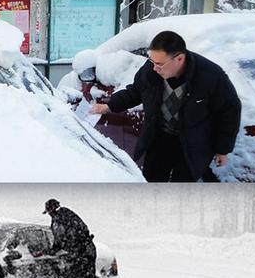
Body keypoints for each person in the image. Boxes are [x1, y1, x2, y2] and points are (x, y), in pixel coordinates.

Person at [90, 31, 241, 183]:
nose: (154, 68)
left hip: (192, 143)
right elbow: (136, 91)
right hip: (160, 137)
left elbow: (229, 112)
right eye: (152, 61)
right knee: (151, 181)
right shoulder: (151, 69)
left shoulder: (210, 76)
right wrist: (109, 106)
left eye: (159, 64)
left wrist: (222, 149)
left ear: (180, 59)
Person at [38, 199, 106, 278]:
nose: (49, 214)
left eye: (49, 211)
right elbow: (58, 243)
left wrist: (74, 248)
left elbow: (79, 232)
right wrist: (47, 251)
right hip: (79, 251)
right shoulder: (56, 221)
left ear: (52, 209)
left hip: (84, 250)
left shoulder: (66, 215)